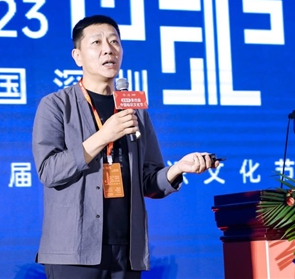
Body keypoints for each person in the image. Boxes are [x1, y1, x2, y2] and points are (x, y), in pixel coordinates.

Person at [32, 15, 218, 279]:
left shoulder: (134, 110)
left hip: (127, 250)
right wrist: (103, 136)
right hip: (74, 251)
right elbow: (49, 171)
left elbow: (149, 181)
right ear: (77, 56)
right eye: (97, 42)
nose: (108, 49)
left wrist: (178, 168)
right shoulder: (56, 105)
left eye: (114, 42)